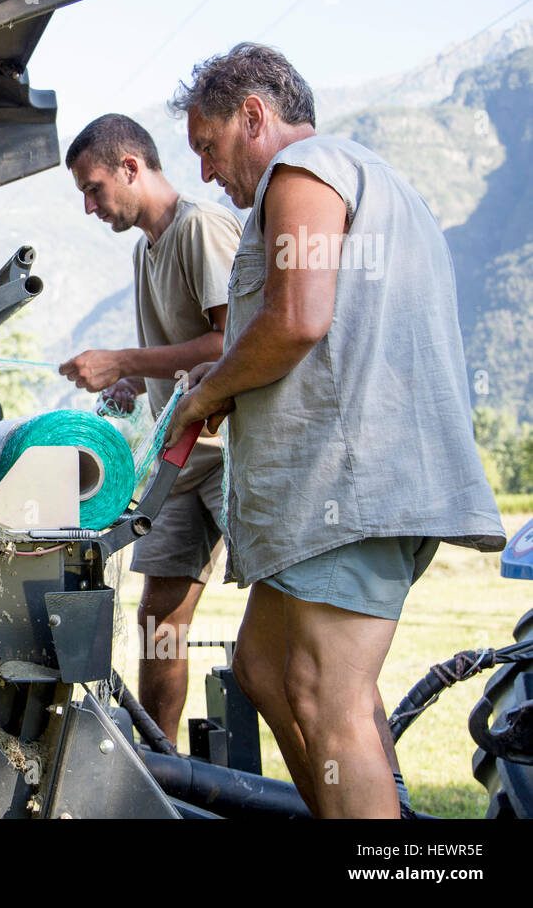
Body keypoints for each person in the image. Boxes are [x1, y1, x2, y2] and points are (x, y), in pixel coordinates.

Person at [163, 43, 506, 818]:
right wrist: (222, 386)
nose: (209, 175)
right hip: (348, 486)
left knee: (326, 694)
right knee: (261, 666)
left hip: (347, 488)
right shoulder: (372, 179)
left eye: (209, 148)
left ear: (253, 116)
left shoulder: (305, 171)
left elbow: (297, 319)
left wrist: (203, 394)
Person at [59, 113, 241, 747]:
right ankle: (162, 769)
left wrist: (127, 359)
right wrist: (135, 381)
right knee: (159, 617)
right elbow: (183, 350)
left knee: (289, 619)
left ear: (131, 167)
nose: (89, 206)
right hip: (179, 458)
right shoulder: (147, 249)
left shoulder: (202, 228)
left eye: (94, 187)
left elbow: (230, 342)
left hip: (235, 449)